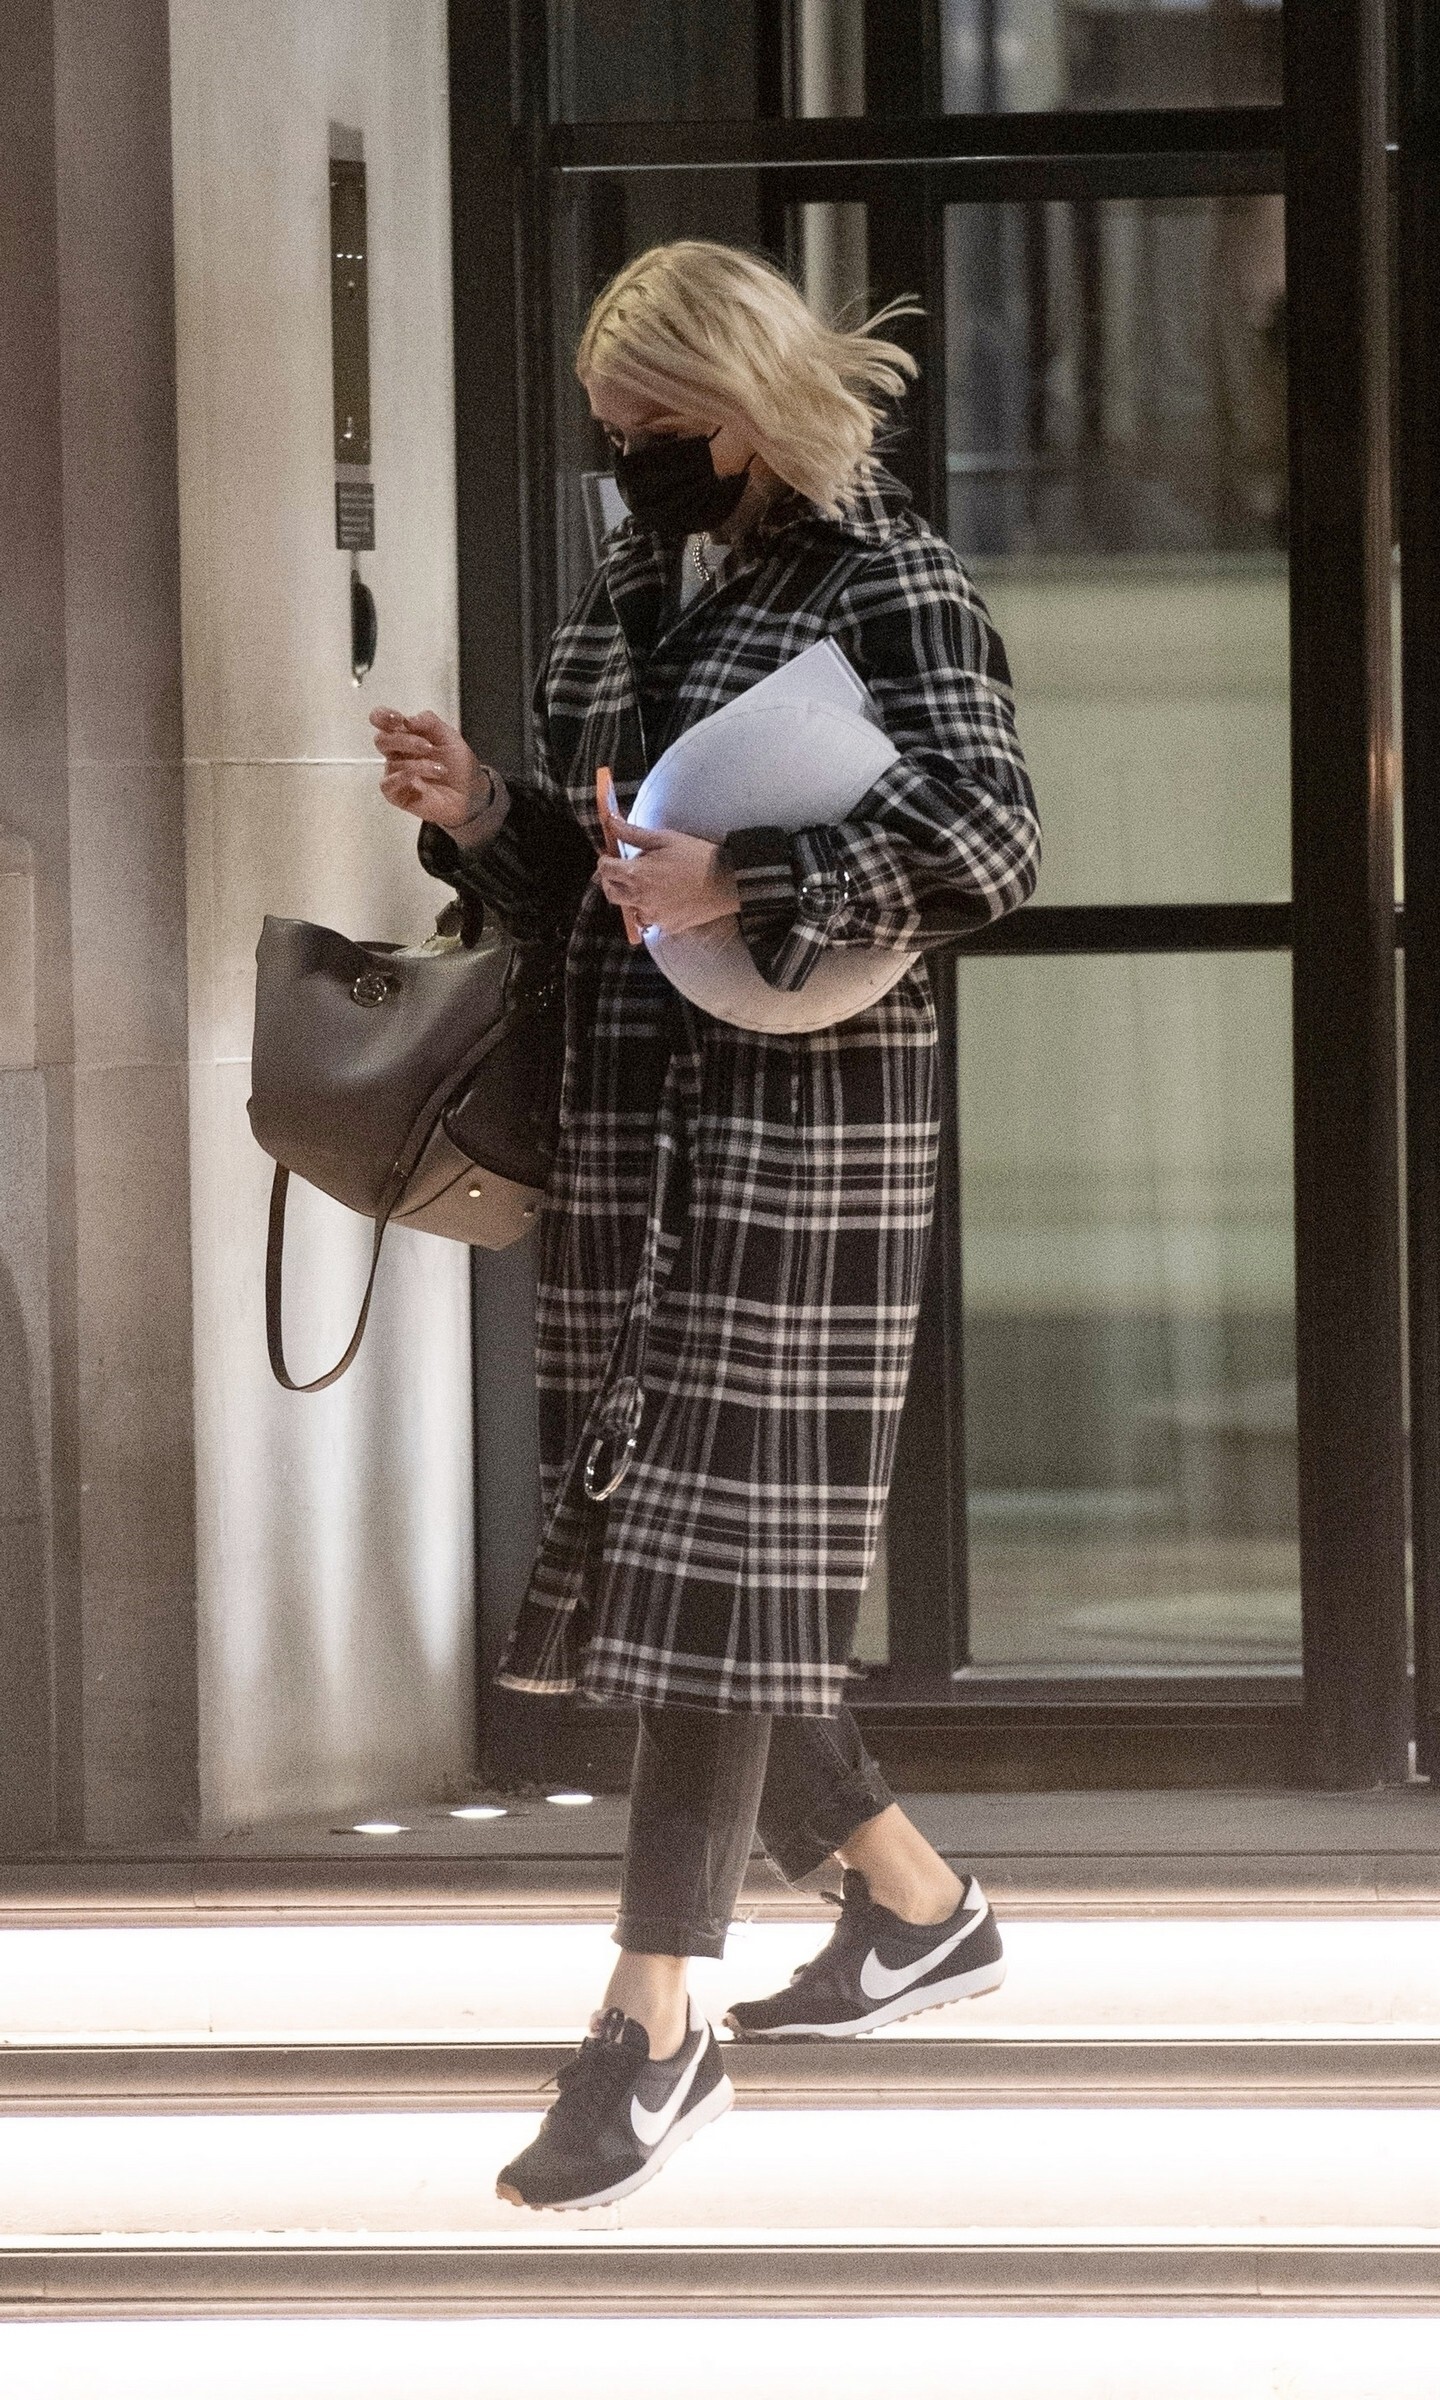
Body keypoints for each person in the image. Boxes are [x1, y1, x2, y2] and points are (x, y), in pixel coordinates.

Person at [370, 239, 1040, 2214]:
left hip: (804, 1137)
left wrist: (742, 874)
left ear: (748, 407)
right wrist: (487, 810)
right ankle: (914, 1907)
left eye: (656, 424)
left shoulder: (887, 574)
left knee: (717, 1556)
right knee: (683, 1554)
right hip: (631, 1133)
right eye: (611, 428)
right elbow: (595, 874)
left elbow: (992, 837)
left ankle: (654, 2026)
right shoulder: (631, 584)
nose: (628, 457)